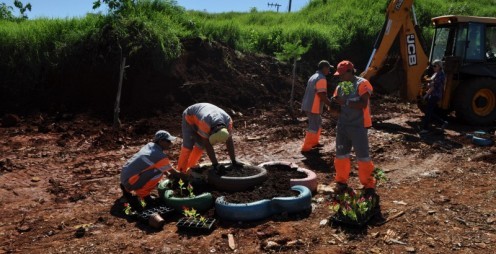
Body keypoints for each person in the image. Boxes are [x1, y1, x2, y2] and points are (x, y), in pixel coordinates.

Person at [331, 60, 376, 196]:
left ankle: (368, 184)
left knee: (363, 156)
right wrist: (333, 104)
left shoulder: (362, 84)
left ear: (350, 72)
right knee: (341, 155)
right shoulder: (340, 86)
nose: (340, 77)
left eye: (342, 74)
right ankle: (341, 182)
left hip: (358, 126)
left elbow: (363, 104)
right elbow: (335, 106)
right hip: (343, 125)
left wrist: (344, 102)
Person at [120, 130, 178, 212]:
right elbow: (174, 172)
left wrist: (168, 173)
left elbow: (157, 165)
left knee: (158, 170)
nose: (170, 143)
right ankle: (144, 195)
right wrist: (187, 177)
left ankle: (126, 188)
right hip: (130, 180)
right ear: (160, 141)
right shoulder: (160, 156)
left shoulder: (150, 146)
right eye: (168, 141)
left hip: (125, 176)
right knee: (159, 172)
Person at [177, 103, 237, 173]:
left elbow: (229, 141)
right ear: (211, 132)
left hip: (204, 115)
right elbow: (208, 145)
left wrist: (234, 161)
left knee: (200, 146)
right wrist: (215, 165)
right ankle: (181, 172)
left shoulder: (228, 122)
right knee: (188, 146)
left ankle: (190, 168)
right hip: (190, 117)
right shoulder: (205, 123)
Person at [300, 60, 334, 152]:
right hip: (313, 106)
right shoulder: (321, 78)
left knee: (318, 122)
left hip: (308, 104)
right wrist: (331, 105)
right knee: (313, 126)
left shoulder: (313, 76)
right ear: (324, 68)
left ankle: (314, 143)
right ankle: (306, 147)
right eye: (328, 68)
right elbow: (322, 95)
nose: (329, 71)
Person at [420, 59, 448, 134]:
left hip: (435, 95)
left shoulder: (440, 75)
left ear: (439, 66)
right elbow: (430, 84)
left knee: (428, 111)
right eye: (433, 66)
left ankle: (425, 128)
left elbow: (433, 87)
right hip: (432, 94)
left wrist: (425, 96)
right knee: (429, 111)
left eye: (435, 66)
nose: (433, 67)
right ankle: (443, 122)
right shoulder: (435, 73)